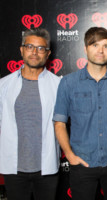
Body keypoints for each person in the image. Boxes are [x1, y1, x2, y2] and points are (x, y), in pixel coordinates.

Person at [53, 27, 107, 200]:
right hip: (82, 165)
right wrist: (70, 155)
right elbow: (59, 123)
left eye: (106, 46)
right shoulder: (68, 83)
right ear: (85, 48)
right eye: (95, 45)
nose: (101, 50)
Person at [0, 28, 60, 200]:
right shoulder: (3, 86)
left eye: (40, 48)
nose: (34, 52)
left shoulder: (59, 85)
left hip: (47, 168)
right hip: (14, 169)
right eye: (29, 46)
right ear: (21, 50)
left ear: (48, 54)